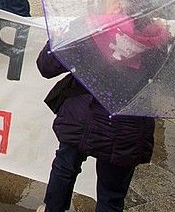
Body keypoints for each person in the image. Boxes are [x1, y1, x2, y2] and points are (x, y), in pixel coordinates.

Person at [36, 37, 156, 212]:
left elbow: (47, 66)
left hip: (82, 116)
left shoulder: (90, 28)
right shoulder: (162, 41)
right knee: (111, 195)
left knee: (65, 168)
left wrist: (61, 34)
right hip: (128, 126)